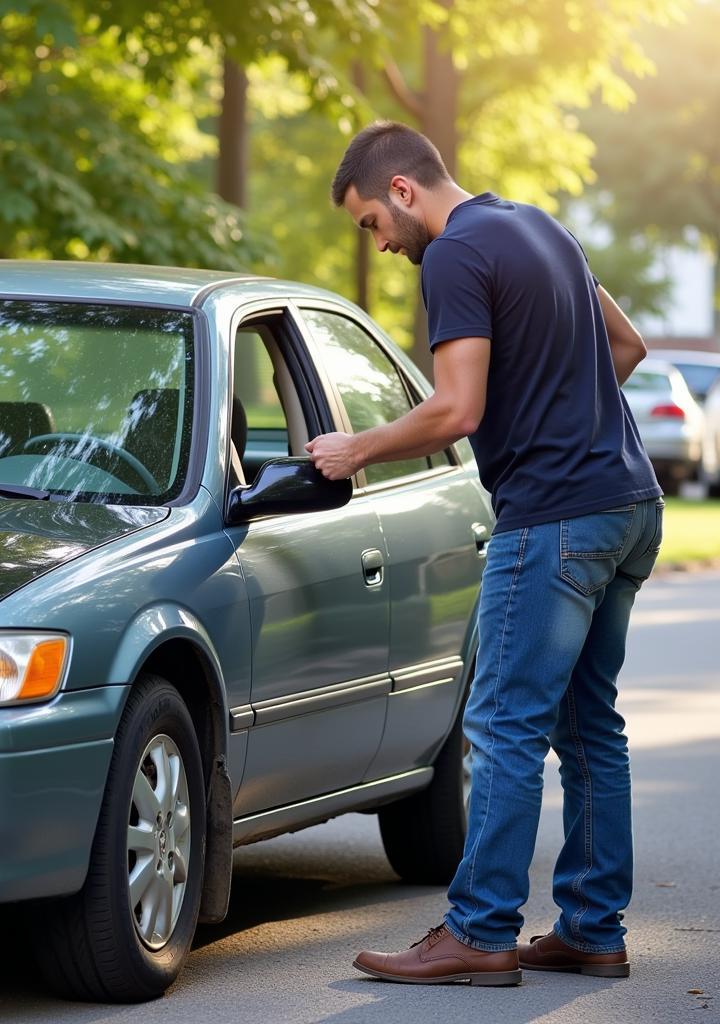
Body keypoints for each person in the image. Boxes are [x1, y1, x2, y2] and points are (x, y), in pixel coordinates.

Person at [305, 120, 663, 987]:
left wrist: (356, 449)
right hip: (626, 504)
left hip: (554, 521)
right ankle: (591, 928)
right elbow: (627, 346)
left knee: (502, 726)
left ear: (400, 191)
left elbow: (456, 410)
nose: (381, 244)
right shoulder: (542, 227)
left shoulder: (455, 254)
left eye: (370, 225)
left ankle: (479, 930)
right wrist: (561, 414)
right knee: (588, 728)